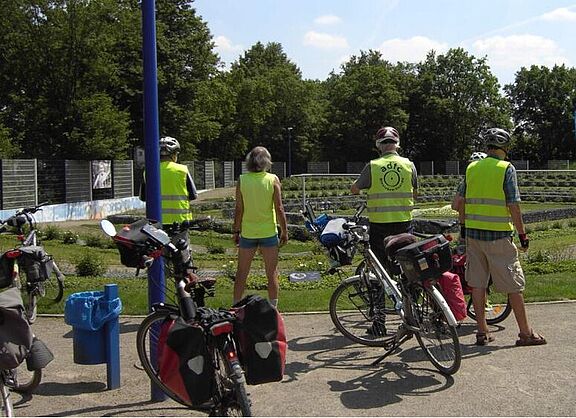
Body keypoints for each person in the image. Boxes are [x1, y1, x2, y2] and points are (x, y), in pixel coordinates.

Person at [454, 127, 546, 346]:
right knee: (514, 284)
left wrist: (464, 228)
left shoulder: (472, 167)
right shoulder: (506, 168)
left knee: (477, 283)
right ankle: (525, 333)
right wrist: (522, 234)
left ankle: (482, 331)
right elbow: (513, 204)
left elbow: (461, 202)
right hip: (499, 237)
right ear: (505, 147)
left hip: (474, 236)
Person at [350, 126, 417, 336]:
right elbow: (415, 190)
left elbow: (355, 189)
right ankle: (413, 316)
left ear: (379, 145)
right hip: (405, 224)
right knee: (409, 271)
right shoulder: (409, 165)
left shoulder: (373, 166)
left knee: (378, 274)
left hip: (380, 226)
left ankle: (379, 323)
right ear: (397, 144)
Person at [232, 146, 288, 309]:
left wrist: (236, 230)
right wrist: (284, 230)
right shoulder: (273, 179)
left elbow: (239, 209)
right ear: (267, 161)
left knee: (242, 272)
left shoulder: (242, 180)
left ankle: (235, 307)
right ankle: (273, 309)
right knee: (271, 273)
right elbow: (279, 208)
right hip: (268, 232)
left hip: (248, 232)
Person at [139, 136, 198, 224]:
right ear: (174, 154)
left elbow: (143, 197)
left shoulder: (148, 172)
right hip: (180, 222)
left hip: (156, 222)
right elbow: (193, 195)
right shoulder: (182, 170)